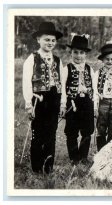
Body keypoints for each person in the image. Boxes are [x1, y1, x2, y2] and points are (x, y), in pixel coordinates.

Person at [22, 21, 64, 173]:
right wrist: (28, 104)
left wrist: (63, 102)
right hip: (38, 98)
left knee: (51, 132)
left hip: (54, 97)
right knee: (38, 133)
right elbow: (26, 82)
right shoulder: (32, 58)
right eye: (47, 39)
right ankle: (37, 167)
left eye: (53, 40)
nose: (50, 43)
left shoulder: (58, 60)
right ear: (38, 39)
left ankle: (48, 166)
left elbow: (62, 83)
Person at [60, 34, 97, 165]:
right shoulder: (66, 69)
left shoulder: (89, 69)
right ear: (71, 53)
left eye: (81, 53)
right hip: (73, 102)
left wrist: (95, 105)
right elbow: (63, 88)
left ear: (85, 54)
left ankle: (83, 156)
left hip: (87, 102)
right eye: (76, 52)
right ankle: (74, 157)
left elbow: (94, 88)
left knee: (87, 130)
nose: (78, 56)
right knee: (72, 130)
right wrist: (63, 104)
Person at [94, 44, 112, 151]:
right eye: (107, 59)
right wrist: (95, 107)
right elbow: (95, 91)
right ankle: (101, 151)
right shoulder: (98, 73)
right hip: (103, 102)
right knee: (101, 128)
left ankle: (110, 151)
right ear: (102, 60)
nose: (110, 61)